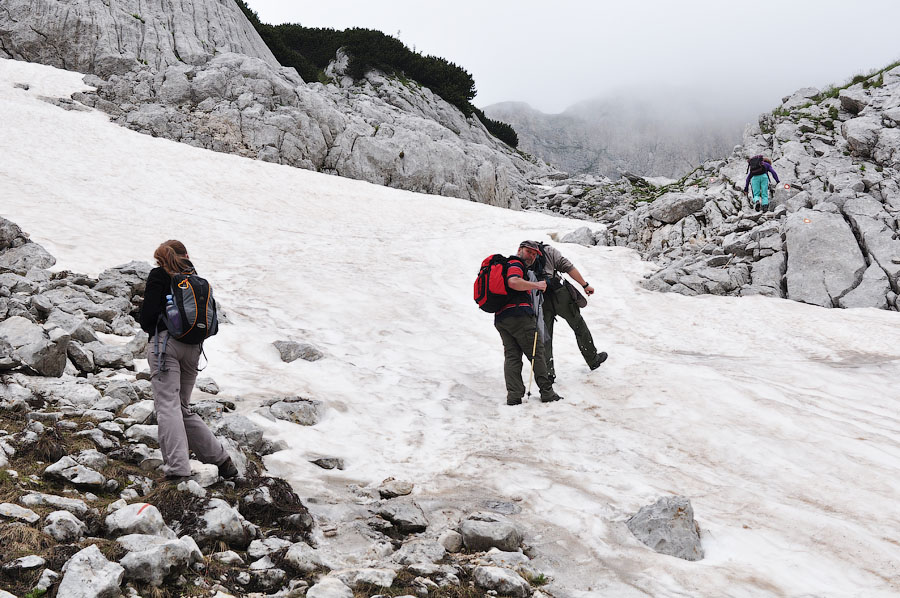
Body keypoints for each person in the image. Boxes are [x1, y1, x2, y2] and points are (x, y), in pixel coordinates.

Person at [139, 240, 237, 482]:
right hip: (193, 349)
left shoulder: (159, 275)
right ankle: (222, 461)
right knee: (182, 408)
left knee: (168, 406)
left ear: (161, 259)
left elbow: (147, 319)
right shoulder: (195, 280)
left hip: (165, 348)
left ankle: (177, 470)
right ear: (186, 255)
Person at [521, 240, 607, 382]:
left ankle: (548, 373)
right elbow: (568, 267)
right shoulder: (549, 251)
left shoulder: (521, 259)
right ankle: (593, 359)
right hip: (560, 294)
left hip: (540, 298)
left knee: (545, 335)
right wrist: (585, 285)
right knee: (579, 325)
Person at [494, 244, 564, 406]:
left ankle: (514, 396)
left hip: (502, 318)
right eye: (528, 252)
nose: (531, 256)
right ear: (519, 250)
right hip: (519, 316)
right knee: (536, 353)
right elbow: (513, 282)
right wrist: (537, 285)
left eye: (534, 254)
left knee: (512, 356)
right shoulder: (515, 264)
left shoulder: (506, 266)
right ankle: (547, 392)